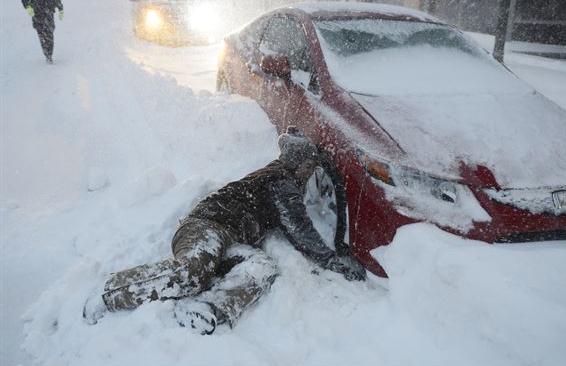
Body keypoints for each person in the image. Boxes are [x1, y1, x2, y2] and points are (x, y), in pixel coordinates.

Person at [83, 127, 365, 334]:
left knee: (261, 268)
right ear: (296, 162)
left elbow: (293, 225)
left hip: (227, 237)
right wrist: (331, 260)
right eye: (307, 165)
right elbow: (299, 227)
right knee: (192, 272)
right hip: (206, 226)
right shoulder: (280, 181)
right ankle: (111, 293)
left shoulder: (283, 180)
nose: (309, 171)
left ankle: (210, 308)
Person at [21, 0, 64, 64]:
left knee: (49, 34)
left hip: (49, 13)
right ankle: (47, 54)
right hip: (37, 14)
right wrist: (29, 8)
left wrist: (60, 8)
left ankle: (49, 54)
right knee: (42, 35)